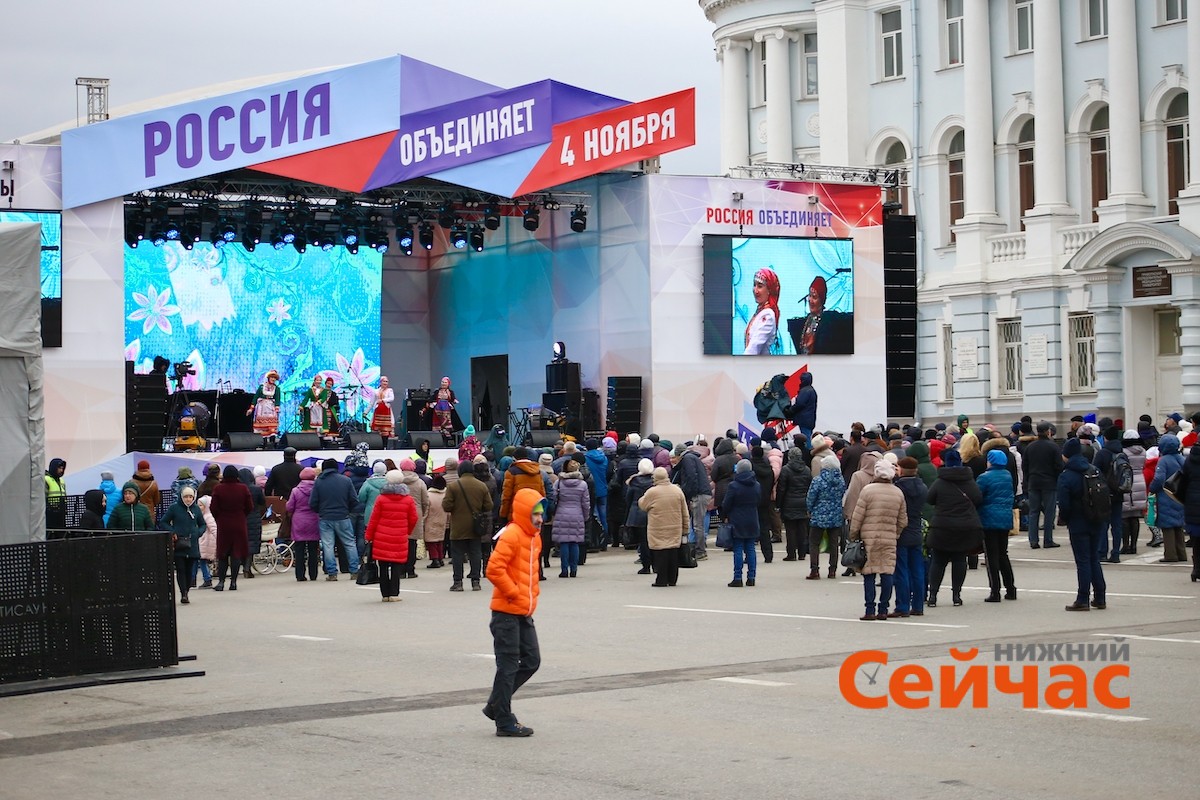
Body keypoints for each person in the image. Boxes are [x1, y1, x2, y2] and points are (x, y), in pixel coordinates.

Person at [483, 488, 545, 737]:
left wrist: (528, 599)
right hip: (506, 612)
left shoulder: (535, 537)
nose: (540, 518)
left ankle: (496, 705)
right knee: (508, 666)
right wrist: (514, 593)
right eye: (535, 513)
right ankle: (504, 721)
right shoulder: (513, 535)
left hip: (523, 611)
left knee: (532, 661)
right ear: (523, 513)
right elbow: (494, 569)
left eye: (541, 513)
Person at [848, 459, 907, 621]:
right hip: (889, 538)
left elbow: (857, 517)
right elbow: (903, 521)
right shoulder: (897, 493)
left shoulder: (867, 491)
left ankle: (869, 610)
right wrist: (895, 533)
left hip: (869, 538)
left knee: (869, 573)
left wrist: (854, 534)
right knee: (887, 572)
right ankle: (883, 609)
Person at [925, 449, 982, 607]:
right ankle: (956, 595)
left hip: (941, 526)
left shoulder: (940, 481)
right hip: (964, 526)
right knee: (959, 560)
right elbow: (978, 498)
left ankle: (933, 595)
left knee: (938, 562)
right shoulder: (969, 481)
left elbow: (929, 499)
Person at [1058, 437, 1109, 610]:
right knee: (1094, 558)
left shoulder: (1066, 475)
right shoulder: (1093, 470)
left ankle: (1083, 599)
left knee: (1083, 561)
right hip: (1097, 519)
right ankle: (1100, 596)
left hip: (1078, 522)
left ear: (1066, 455)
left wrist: (1065, 518)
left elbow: (1064, 504)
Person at [364, 470, 418, 602]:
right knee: (396, 565)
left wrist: (369, 536)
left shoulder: (381, 499)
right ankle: (394, 593)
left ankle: (385, 594)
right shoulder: (408, 499)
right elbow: (413, 518)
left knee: (382, 566)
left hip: (381, 537)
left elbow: (374, 519)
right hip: (399, 537)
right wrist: (407, 531)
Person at [443, 459, 494, 591]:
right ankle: (475, 581)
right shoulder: (481, 486)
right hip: (475, 525)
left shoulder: (453, 486)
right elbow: (489, 505)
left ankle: (458, 582)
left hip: (458, 526)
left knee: (457, 554)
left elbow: (446, 506)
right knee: (475, 553)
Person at [309, 458, 361, 580]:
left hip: (325, 517)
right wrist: (347, 510)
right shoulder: (346, 480)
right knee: (349, 544)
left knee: (328, 545)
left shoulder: (319, 482)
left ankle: (332, 573)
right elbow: (354, 499)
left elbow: (312, 502)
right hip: (343, 516)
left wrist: (320, 511)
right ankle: (354, 571)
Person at [978, 449, 1017, 602]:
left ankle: (995, 590)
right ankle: (1011, 588)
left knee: (991, 556)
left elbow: (977, 496)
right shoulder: (1007, 475)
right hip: (1005, 518)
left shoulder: (984, 478)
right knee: (1003, 554)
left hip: (988, 519)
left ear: (990, 461)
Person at [639, 465, 689, 587]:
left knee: (660, 553)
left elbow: (643, 505)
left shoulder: (652, 492)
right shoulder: (677, 490)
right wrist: (685, 527)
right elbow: (684, 511)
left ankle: (661, 579)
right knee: (673, 552)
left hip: (658, 528)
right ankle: (672, 579)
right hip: (675, 526)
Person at [892, 457, 929, 617]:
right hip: (916, 530)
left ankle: (903, 605)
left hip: (902, 531)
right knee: (917, 570)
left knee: (901, 570)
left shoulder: (898, 488)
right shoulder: (922, 487)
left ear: (901, 470)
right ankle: (918, 605)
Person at [160, 486, 206, 605]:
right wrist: (172, 532)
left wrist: (198, 533)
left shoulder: (196, 509)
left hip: (192, 544)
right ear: (181, 497)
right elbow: (163, 522)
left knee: (189, 570)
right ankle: (183, 593)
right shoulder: (174, 508)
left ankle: (187, 590)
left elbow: (202, 524)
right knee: (181, 569)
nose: (188, 499)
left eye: (190, 497)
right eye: (186, 496)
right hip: (179, 543)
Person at [209, 465, 252, 591]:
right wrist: (242, 515)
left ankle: (221, 582)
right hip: (239, 522)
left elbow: (213, 508)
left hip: (223, 523)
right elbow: (249, 506)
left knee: (223, 553)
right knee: (236, 553)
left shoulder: (218, 488)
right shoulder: (243, 488)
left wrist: (219, 517)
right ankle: (233, 582)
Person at [787, 275, 853, 355]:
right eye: (810, 296)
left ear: (821, 300)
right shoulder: (808, 319)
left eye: (814, 297)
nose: (810, 300)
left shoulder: (828, 321)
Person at [1022, 422, 1063, 549]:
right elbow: (1059, 466)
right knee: (1049, 512)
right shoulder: (1053, 447)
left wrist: (1028, 479)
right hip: (1049, 482)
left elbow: (1025, 466)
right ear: (1048, 431)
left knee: (1033, 512)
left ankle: (1033, 540)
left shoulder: (1030, 447)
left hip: (1034, 482)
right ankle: (1048, 540)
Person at [1149, 433, 1188, 564]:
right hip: (1180, 496)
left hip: (1166, 495)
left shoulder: (1164, 460)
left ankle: (1170, 554)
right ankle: (1181, 553)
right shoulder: (1181, 459)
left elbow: (1159, 478)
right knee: (1178, 524)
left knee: (1167, 526)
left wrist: (1152, 488)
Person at [722, 459, 762, 587]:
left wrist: (725, 515)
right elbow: (759, 501)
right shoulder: (756, 485)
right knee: (751, 548)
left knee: (738, 548)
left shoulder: (733, 485)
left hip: (737, 519)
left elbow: (726, 504)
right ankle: (751, 577)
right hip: (752, 518)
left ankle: (737, 577)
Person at [806, 454, 846, 579]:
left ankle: (815, 570)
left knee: (814, 542)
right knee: (834, 543)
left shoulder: (818, 480)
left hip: (819, 514)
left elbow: (811, 497)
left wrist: (810, 509)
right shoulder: (840, 480)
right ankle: (832, 570)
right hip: (835, 514)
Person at [551, 460, 590, 578]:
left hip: (561, 513)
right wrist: (585, 515)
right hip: (577, 513)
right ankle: (574, 569)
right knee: (574, 542)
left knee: (564, 542)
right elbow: (585, 503)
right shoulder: (582, 484)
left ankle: (564, 570)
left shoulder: (559, 483)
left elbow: (553, 498)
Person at [776, 446, 813, 562]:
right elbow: (810, 487)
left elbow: (781, 489)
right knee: (802, 529)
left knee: (790, 530)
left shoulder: (786, 470)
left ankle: (791, 553)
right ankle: (802, 553)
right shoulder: (807, 469)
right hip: (803, 502)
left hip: (789, 502)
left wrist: (779, 504)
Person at [286, 467, 320, 581]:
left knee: (299, 549)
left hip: (299, 521)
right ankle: (313, 574)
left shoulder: (295, 490)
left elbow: (289, 507)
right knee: (313, 549)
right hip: (314, 520)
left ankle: (300, 575)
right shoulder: (317, 489)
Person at [398, 459, 430, 579]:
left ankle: (401, 570)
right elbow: (426, 500)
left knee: (401, 543)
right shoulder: (420, 482)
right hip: (415, 512)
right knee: (412, 542)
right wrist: (423, 512)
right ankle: (410, 569)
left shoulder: (397, 481)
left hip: (400, 512)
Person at [1121, 430, 1149, 554]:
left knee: (1125, 516)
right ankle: (1134, 545)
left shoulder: (1124, 452)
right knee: (1135, 516)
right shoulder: (1143, 451)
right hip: (1140, 480)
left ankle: (1126, 545)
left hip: (1128, 481)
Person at [625, 458, 655, 574]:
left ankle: (646, 565)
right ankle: (656, 564)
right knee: (655, 540)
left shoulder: (634, 482)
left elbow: (628, 499)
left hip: (637, 513)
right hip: (652, 513)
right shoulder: (654, 481)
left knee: (643, 542)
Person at [743, 267, 781, 355]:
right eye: (754, 285)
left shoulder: (768, 315)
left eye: (760, 286)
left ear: (769, 290)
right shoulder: (759, 312)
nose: (755, 290)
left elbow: (754, 348)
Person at [239, 468, 266, 578]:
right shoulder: (256, 489)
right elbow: (262, 502)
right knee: (252, 542)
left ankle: (243, 564)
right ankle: (247, 567)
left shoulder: (239, 489)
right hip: (254, 517)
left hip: (241, 517)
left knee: (242, 542)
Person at [425, 473, 448, 569]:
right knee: (440, 540)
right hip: (443, 519)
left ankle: (434, 559)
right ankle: (440, 558)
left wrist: (423, 519)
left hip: (431, 520)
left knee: (431, 541)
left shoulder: (429, 495)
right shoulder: (445, 494)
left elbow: (426, 509)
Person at [249, 369, 281, 437]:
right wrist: (251, 408)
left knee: (271, 427)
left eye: (275, 378)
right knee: (261, 428)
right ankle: (262, 441)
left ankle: (272, 442)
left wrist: (277, 408)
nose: (273, 379)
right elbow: (256, 397)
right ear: (268, 378)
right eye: (272, 377)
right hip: (262, 408)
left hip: (271, 408)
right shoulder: (261, 387)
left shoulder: (277, 388)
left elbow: (277, 399)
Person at [130, 460, 162, 526]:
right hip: (149, 512)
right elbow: (157, 501)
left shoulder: (131, 483)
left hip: (135, 512)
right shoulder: (154, 483)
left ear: (138, 468)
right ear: (148, 468)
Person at [788, 372, 818, 441]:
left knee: (806, 438)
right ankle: (810, 450)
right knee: (808, 437)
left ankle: (808, 451)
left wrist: (790, 410)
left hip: (804, 419)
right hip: (810, 419)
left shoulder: (805, 391)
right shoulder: (811, 390)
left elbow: (800, 404)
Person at [44, 458, 67, 533]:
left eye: (62, 468)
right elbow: (43, 498)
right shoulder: (46, 479)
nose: (61, 470)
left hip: (61, 513)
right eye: (59, 468)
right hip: (50, 514)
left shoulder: (62, 481)